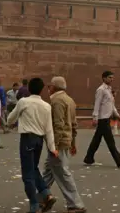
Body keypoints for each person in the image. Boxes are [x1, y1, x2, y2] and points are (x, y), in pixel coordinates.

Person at [6, 77, 58, 213]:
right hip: (39, 140)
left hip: (27, 139)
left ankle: (34, 204)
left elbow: (11, 118)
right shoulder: (47, 106)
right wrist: (52, 148)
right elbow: (49, 130)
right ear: (41, 90)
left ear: (29, 89)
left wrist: (9, 122)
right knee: (34, 168)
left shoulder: (24, 102)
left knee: (27, 173)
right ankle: (46, 193)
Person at [40, 76, 86, 213]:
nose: (48, 89)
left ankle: (75, 204)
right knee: (49, 171)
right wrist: (73, 142)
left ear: (53, 87)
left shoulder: (56, 101)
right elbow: (73, 124)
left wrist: (55, 146)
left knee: (63, 173)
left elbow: (58, 125)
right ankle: (41, 198)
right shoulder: (69, 100)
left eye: (49, 86)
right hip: (66, 140)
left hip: (58, 142)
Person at [83, 71, 120, 168]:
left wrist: (117, 115)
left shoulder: (109, 90)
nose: (111, 79)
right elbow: (97, 104)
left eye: (112, 77)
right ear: (104, 78)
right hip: (102, 119)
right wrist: (95, 117)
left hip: (106, 118)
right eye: (109, 77)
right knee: (110, 141)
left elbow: (111, 105)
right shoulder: (101, 90)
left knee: (96, 140)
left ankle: (89, 158)